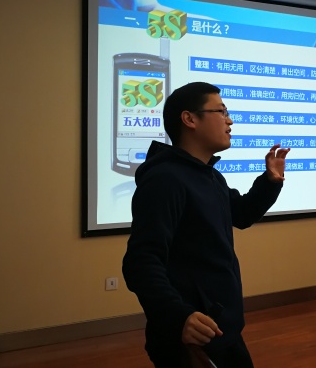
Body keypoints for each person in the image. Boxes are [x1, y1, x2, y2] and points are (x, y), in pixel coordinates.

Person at [123, 82, 290, 368]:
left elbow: (242, 214)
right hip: (190, 336)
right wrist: (179, 317)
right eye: (221, 111)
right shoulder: (165, 179)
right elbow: (141, 262)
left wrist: (270, 181)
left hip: (220, 328)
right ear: (189, 119)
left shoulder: (209, 176)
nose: (230, 120)